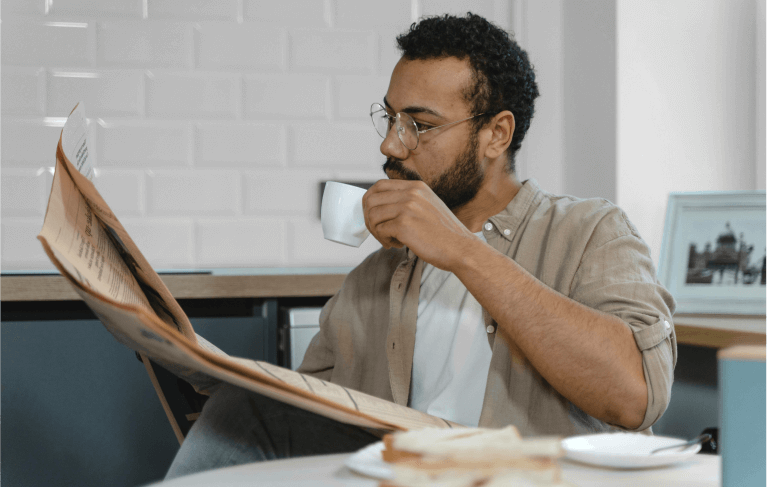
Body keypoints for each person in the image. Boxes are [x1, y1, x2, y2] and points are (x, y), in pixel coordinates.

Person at [165, 13, 676, 479]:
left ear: (496, 134)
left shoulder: (590, 230)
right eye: (389, 118)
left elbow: (636, 397)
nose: (391, 145)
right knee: (240, 412)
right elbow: (299, 422)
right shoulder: (373, 278)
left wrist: (462, 250)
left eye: (420, 125)